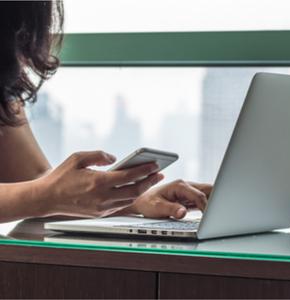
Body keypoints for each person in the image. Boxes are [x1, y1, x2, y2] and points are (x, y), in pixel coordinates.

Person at [0, 1, 211, 223]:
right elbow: (43, 193)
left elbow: (32, 181)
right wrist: (50, 194)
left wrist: (133, 198)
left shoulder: (5, 94)